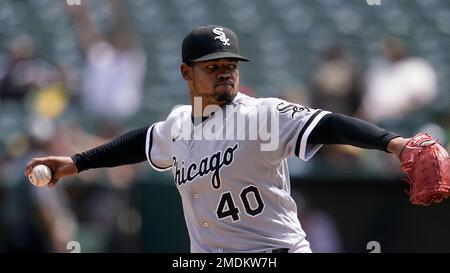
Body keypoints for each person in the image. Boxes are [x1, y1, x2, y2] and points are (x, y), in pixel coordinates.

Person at [24, 25, 431, 253]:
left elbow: (330, 123)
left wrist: (394, 144)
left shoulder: (262, 114)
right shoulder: (178, 123)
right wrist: (75, 163)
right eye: (212, 66)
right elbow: (140, 141)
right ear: (186, 73)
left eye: (230, 65)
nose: (225, 73)